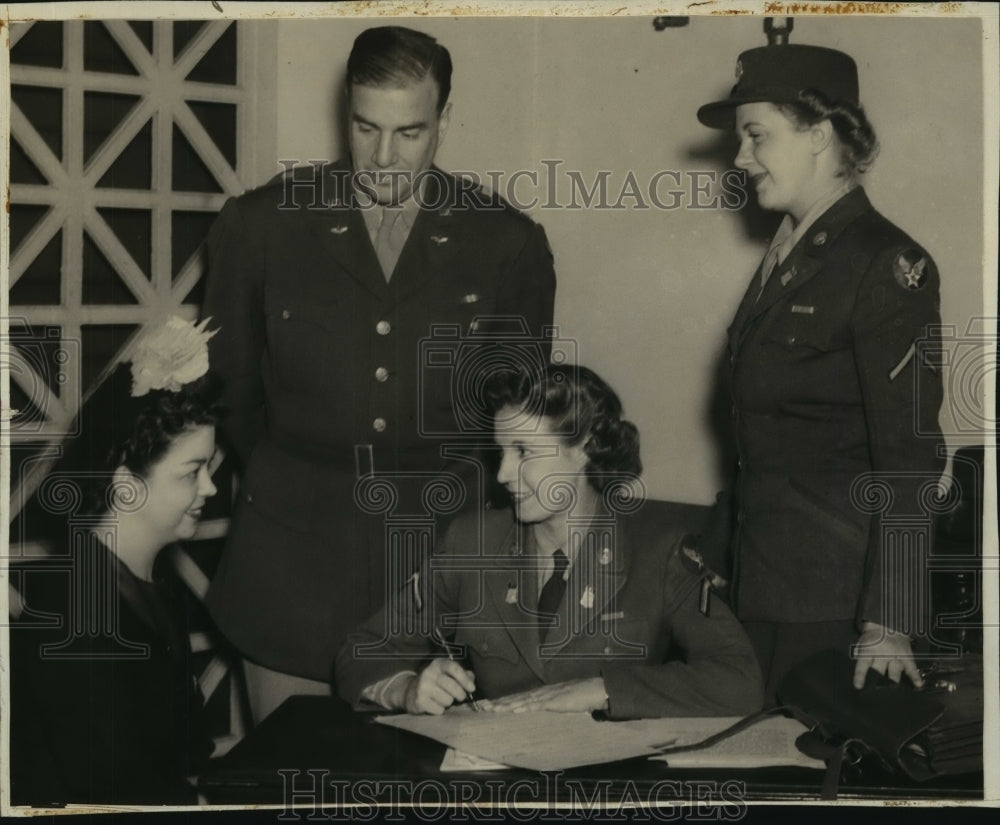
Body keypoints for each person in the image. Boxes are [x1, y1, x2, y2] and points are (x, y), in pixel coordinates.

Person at [201, 25, 556, 721]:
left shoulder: (505, 242)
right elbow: (230, 391)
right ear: (345, 113)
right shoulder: (262, 224)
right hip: (292, 566)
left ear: (445, 120)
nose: (384, 156)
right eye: (366, 128)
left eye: (410, 133)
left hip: (439, 570)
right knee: (293, 783)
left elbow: (513, 414)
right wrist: (298, 475)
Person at [696, 44, 945, 701]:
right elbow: (762, 443)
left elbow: (910, 455)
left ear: (818, 134)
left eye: (756, 136)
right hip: (763, 585)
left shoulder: (885, 265)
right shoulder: (791, 251)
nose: (739, 158)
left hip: (835, 604)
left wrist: (890, 618)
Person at [335, 364, 763, 718]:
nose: (502, 474)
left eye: (523, 452)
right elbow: (361, 651)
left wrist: (602, 689)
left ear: (586, 449)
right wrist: (405, 689)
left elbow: (740, 680)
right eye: (501, 452)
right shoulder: (472, 543)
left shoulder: (659, 550)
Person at [9, 317, 221, 805]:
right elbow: (109, 790)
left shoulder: (146, 582)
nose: (210, 489)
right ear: (125, 486)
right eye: (193, 472)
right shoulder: (73, 618)